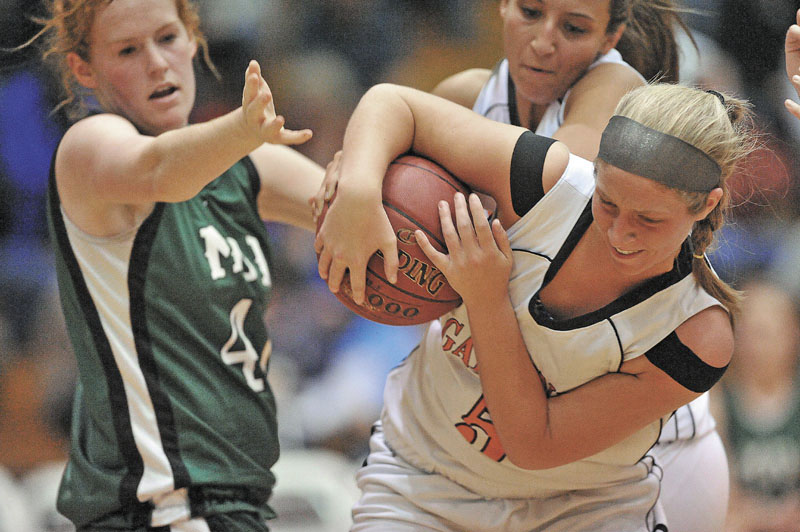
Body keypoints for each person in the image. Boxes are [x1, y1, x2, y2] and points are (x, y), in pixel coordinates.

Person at [314, 79, 754, 530]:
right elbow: (395, 103)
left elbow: (533, 444)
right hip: (423, 475)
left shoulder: (698, 332)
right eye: (607, 202)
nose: (621, 233)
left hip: (579, 509)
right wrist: (359, 188)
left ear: (706, 205)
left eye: (649, 219)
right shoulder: (547, 182)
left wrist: (486, 297)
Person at [32, 0, 325, 530]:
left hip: (235, 504)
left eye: (167, 38)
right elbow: (160, 170)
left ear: (193, 38)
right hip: (162, 509)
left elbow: (354, 206)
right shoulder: (90, 148)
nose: (157, 63)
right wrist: (242, 126)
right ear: (84, 69)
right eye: (127, 50)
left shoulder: (244, 167)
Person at [713, 279, 800, 531]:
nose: (753, 346)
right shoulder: (717, 400)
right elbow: (721, 501)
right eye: (746, 333)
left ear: (792, 333)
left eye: (764, 333)